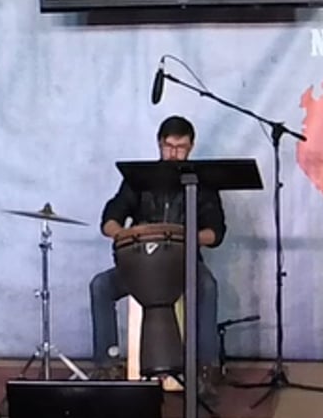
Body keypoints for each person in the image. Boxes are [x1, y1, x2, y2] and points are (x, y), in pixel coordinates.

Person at [90, 116, 224, 379]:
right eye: (169, 147)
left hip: (183, 266)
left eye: (181, 147)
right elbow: (110, 219)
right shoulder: (138, 179)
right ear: (159, 144)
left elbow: (216, 232)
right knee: (100, 285)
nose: (174, 154)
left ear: (191, 147)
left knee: (207, 286)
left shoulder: (201, 184)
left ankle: (206, 368)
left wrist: (184, 237)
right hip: (141, 267)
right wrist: (125, 235)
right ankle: (107, 364)